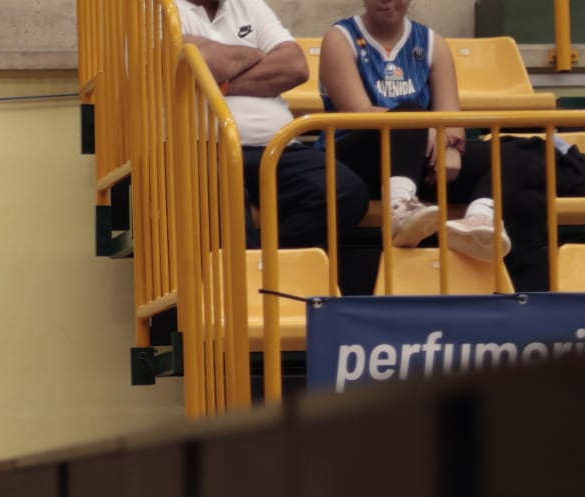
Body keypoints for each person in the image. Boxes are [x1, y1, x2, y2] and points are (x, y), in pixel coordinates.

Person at [318, 0, 548, 288]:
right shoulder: (340, 38)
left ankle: (478, 221)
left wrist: (449, 148)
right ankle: (399, 211)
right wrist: (422, 124)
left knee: (517, 152)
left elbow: (450, 117)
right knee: (407, 115)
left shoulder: (431, 42)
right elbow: (358, 113)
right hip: (354, 158)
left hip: (417, 156)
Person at [179, 0, 370, 251]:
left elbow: (295, 66)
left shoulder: (249, 5)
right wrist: (258, 55)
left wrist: (219, 83)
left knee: (344, 190)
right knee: (219, 192)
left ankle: (268, 273)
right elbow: (194, 59)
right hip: (198, 148)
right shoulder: (157, 8)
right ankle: (245, 283)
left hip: (277, 146)